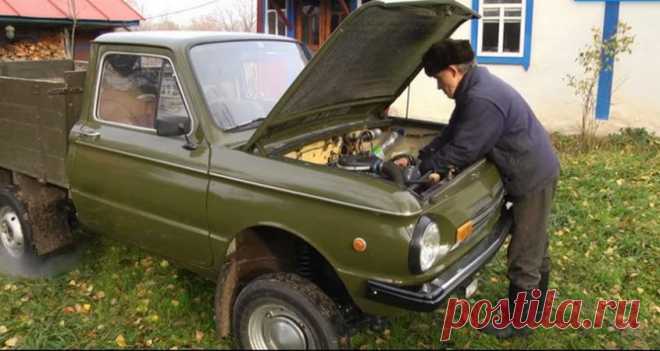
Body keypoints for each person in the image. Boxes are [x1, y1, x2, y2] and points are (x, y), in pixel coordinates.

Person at [396, 39, 560, 338]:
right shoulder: (474, 88)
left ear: (452, 71)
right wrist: (422, 157)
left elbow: (463, 150)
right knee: (536, 245)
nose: (438, 86)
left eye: (438, 79)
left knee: (526, 250)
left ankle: (519, 322)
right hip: (529, 166)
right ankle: (536, 307)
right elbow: (452, 133)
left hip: (531, 175)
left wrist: (424, 171)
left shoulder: (481, 97)